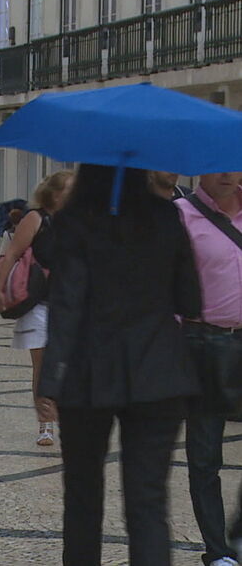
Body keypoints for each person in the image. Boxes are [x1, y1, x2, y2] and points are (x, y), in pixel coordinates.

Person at [39, 164, 202, 566]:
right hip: (158, 373)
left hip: (87, 374)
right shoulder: (167, 215)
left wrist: (49, 379)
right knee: (148, 504)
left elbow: (67, 304)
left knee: (82, 498)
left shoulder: (74, 220)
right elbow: (191, 300)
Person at [176, 171, 242, 566]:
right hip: (203, 342)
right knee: (205, 453)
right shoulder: (182, 216)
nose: (225, 173)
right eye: (215, 163)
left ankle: (237, 534)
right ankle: (218, 552)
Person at [0, 170, 74, 446]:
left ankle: (63, 414)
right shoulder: (35, 218)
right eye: (69, 190)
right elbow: (12, 253)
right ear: (54, 193)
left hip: (68, 304)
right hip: (38, 301)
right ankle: (45, 424)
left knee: (66, 364)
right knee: (42, 363)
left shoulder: (77, 220)